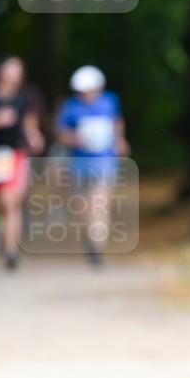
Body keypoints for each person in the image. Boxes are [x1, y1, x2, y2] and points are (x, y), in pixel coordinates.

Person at [55, 66, 130, 265]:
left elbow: (116, 121)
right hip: (79, 163)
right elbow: (61, 133)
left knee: (100, 203)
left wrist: (119, 140)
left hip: (104, 161)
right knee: (82, 206)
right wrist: (75, 139)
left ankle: (97, 246)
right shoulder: (70, 106)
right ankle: (90, 237)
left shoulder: (109, 101)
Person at [0, 55, 44, 269]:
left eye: (19, 69)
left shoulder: (25, 97)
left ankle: (11, 250)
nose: (16, 73)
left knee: (10, 201)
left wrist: (34, 136)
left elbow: (30, 124)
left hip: (14, 155)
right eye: (12, 68)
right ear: (0, 71)